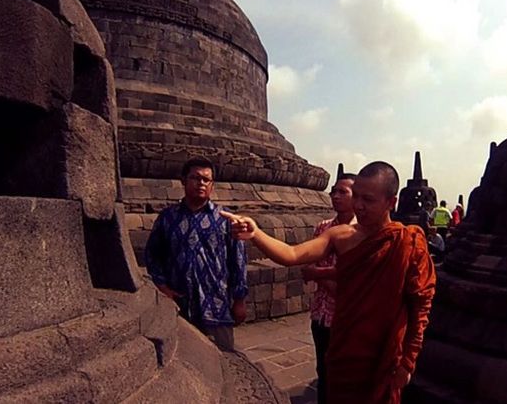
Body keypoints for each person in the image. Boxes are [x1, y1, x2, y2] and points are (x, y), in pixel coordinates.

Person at [221, 161, 436, 403]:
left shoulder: (409, 242)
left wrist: (408, 362)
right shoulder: (340, 236)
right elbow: (292, 255)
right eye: (356, 197)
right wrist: (256, 233)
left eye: (369, 200)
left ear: (391, 202)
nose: (359, 206)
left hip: (384, 353)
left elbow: (420, 306)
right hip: (345, 347)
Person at [144, 157, 247, 351]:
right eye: (195, 178)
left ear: (212, 184)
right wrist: (163, 287)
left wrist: (240, 300)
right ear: (183, 180)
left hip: (216, 306)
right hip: (178, 305)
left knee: (223, 362)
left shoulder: (225, 219)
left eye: (206, 180)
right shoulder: (168, 218)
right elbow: (152, 255)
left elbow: (238, 261)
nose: (201, 183)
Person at [301, 171, 356, 404]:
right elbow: (307, 265)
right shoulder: (323, 228)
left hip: (349, 318)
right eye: (334, 191)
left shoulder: (363, 232)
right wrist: (329, 283)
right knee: (323, 369)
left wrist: (319, 274)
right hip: (322, 313)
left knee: (346, 374)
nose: (335, 196)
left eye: (342, 192)